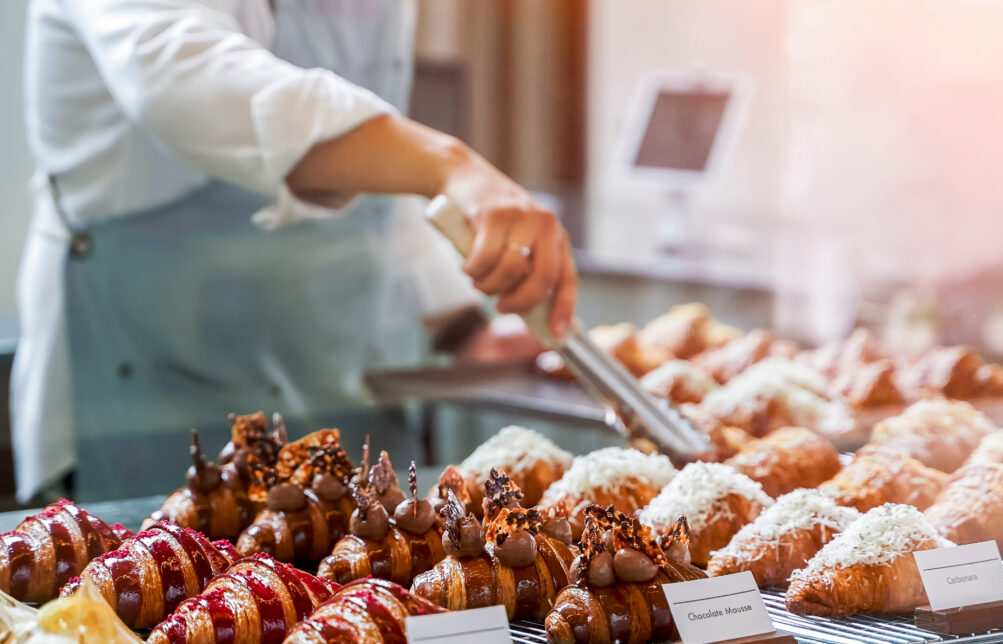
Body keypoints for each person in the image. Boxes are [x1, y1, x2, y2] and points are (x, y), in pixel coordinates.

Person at [12, 0, 578, 502]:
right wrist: (449, 165)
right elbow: (188, 79)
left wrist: (459, 325)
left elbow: (374, 169)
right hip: (150, 388)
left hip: (329, 382)